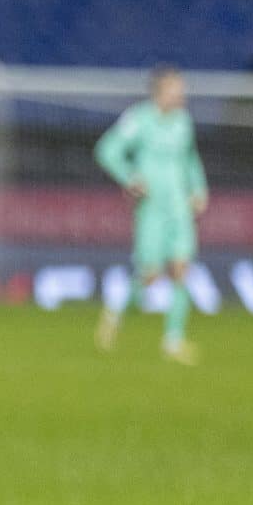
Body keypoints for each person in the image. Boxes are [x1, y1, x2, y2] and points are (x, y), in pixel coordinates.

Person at [95, 66, 208, 364]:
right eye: (175, 89)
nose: (181, 95)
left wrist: (199, 188)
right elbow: (107, 150)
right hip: (151, 209)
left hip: (179, 208)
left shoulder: (183, 122)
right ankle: (116, 313)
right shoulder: (139, 119)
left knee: (182, 269)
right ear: (160, 92)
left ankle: (173, 341)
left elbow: (190, 158)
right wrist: (129, 177)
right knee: (150, 276)